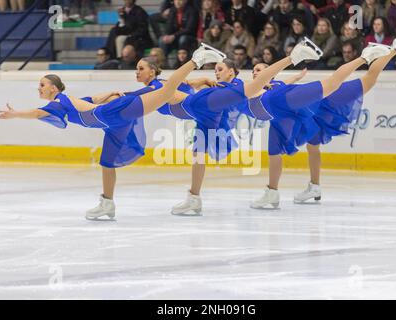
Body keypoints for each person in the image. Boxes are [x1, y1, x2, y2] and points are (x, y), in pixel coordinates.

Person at [0, 44, 225, 220]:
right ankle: (107, 203)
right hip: (111, 122)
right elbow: (92, 99)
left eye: (42, 85)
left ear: (53, 88)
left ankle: (198, 58)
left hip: (114, 115)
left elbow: (36, 113)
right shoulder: (65, 100)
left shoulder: (57, 103)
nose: (39, 88)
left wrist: (15, 114)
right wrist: (110, 94)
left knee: (166, 91)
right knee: (107, 162)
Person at [132, 41, 322, 216]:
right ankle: (194, 197)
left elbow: (263, 84)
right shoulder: (222, 86)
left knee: (304, 137)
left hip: (233, 113)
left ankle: (306, 185)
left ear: (232, 72)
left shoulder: (238, 86)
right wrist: (203, 80)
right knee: (199, 153)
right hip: (211, 116)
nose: (217, 73)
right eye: (215, 70)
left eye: (220, 69)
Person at [249, 34, 396, 208]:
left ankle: (392, 49)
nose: (256, 72)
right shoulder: (265, 88)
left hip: (317, 105)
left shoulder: (275, 87)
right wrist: (294, 77)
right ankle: (297, 189)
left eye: (260, 70)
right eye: (254, 70)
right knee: (291, 147)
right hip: (293, 115)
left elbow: (276, 83)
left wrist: (292, 74)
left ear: (270, 74)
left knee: (367, 81)